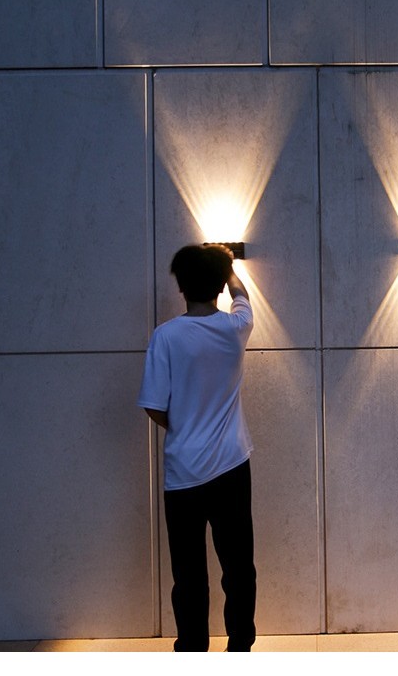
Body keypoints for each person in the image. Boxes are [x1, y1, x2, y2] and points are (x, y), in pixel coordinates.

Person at [138, 242, 256, 652]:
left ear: (181, 286)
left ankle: (191, 649)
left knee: (188, 573)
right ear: (219, 286)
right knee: (238, 566)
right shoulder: (235, 328)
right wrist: (229, 267)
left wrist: (185, 426)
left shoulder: (166, 336)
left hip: (183, 473)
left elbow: (153, 406)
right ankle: (239, 646)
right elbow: (242, 296)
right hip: (231, 466)